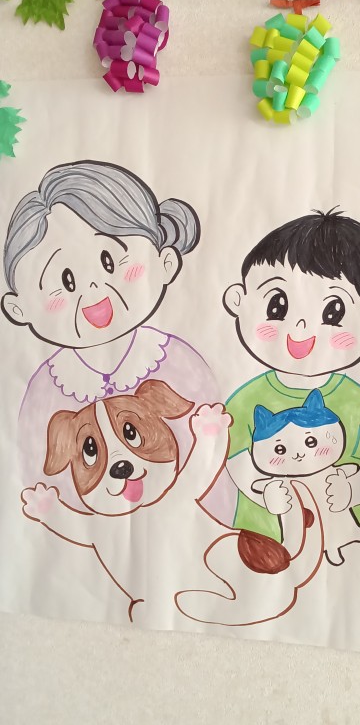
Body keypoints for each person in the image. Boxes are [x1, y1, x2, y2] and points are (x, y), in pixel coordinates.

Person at [3, 160, 232, 522]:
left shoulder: (176, 361)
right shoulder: (46, 390)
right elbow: (39, 481)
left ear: (165, 262)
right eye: (65, 280)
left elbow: (213, 456)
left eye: (109, 261)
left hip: (191, 530)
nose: (93, 288)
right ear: (19, 308)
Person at [223, 209, 360, 549]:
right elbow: (235, 458)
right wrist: (262, 491)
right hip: (263, 540)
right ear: (239, 302)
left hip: (349, 541)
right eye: (277, 306)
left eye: (333, 313)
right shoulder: (246, 400)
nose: (301, 328)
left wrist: (351, 490)